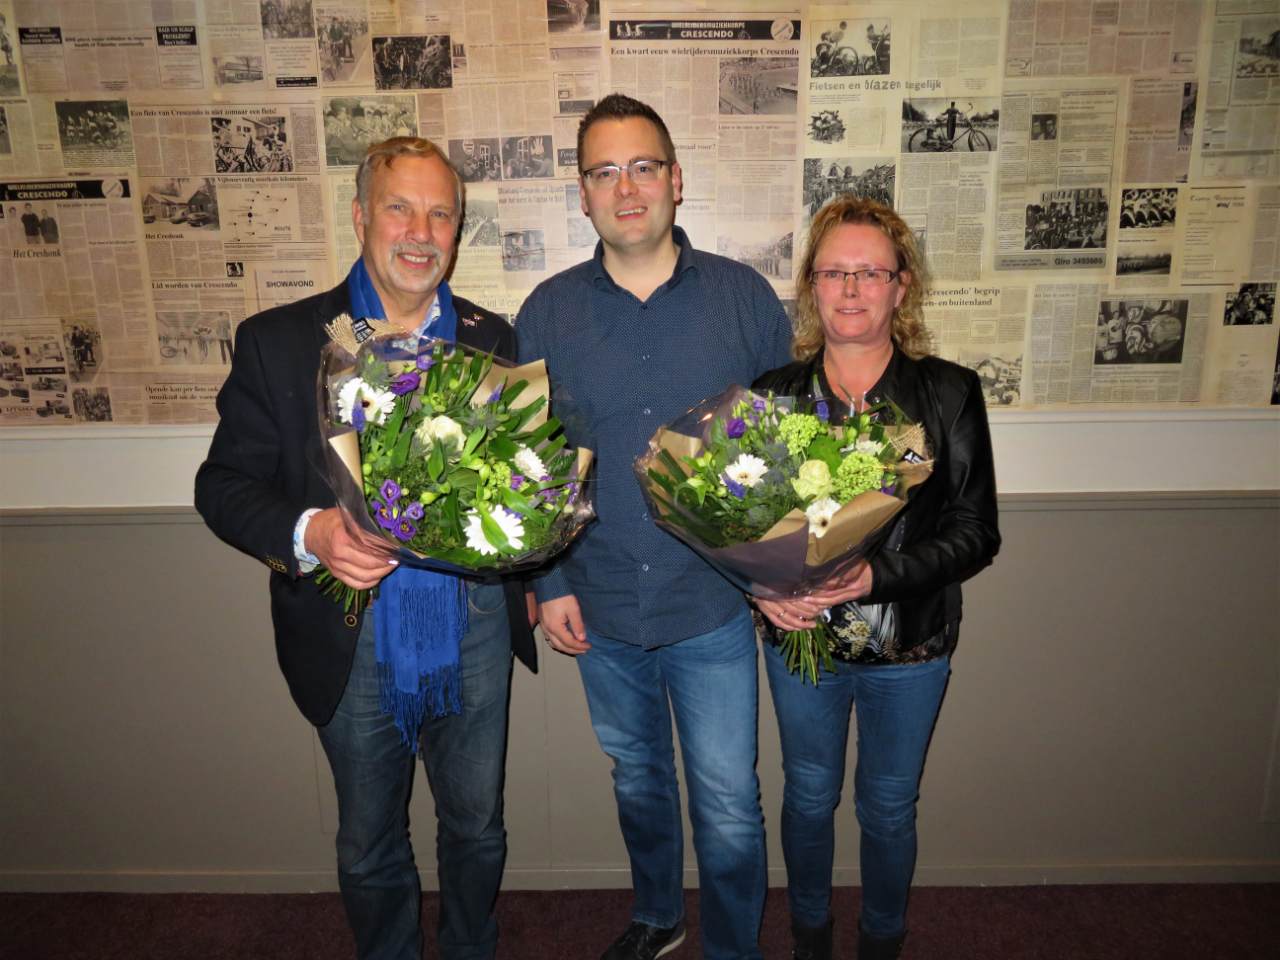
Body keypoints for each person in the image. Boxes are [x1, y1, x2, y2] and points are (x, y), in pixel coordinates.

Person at [194, 137, 536, 960]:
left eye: (441, 214)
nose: (421, 232)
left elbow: (523, 480)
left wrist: (532, 562)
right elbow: (222, 484)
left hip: (474, 626)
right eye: (399, 208)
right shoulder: (280, 340)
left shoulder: (495, 338)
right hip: (350, 633)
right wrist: (311, 532)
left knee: (478, 825)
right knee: (368, 842)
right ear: (359, 217)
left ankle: (469, 947)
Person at [515, 93, 792, 960]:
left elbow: (786, 455)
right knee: (637, 780)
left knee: (729, 801)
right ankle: (660, 915)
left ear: (676, 179)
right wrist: (549, 581)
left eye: (642, 167)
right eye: (604, 172)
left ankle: (735, 947)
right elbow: (530, 463)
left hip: (712, 606)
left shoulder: (744, 300)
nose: (625, 188)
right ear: (583, 194)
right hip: (598, 605)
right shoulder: (546, 313)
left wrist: (778, 574)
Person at [751, 197, 1000, 960]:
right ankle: (811, 937)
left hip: (909, 646)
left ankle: (882, 941)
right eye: (834, 272)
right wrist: (759, 587)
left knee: (889, 808)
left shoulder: (948, 392)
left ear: (901, 287)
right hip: (804, 644)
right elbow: (742, 523)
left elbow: (976, 531)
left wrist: (875, 576)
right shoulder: (773, 395)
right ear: (811, 286)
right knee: (808, 797)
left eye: (870, 272)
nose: (851, 288)